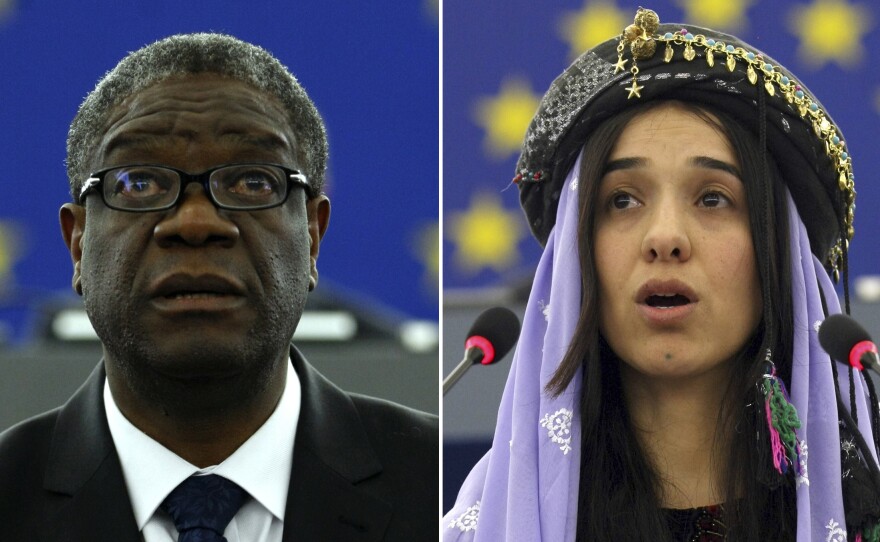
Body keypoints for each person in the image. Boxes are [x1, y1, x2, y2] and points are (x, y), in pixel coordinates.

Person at [444, 7, 880, 542]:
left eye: (713, 198)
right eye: (622, 200)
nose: (664, 237)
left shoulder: (865, 509)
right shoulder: (489, 524)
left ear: (780, 251)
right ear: (576, 256)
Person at [0, 33, 437, 541]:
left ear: (313, 236)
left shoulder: (443, 495)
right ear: (77, 244)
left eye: (252, 181)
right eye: (138, 183)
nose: (195, 221)